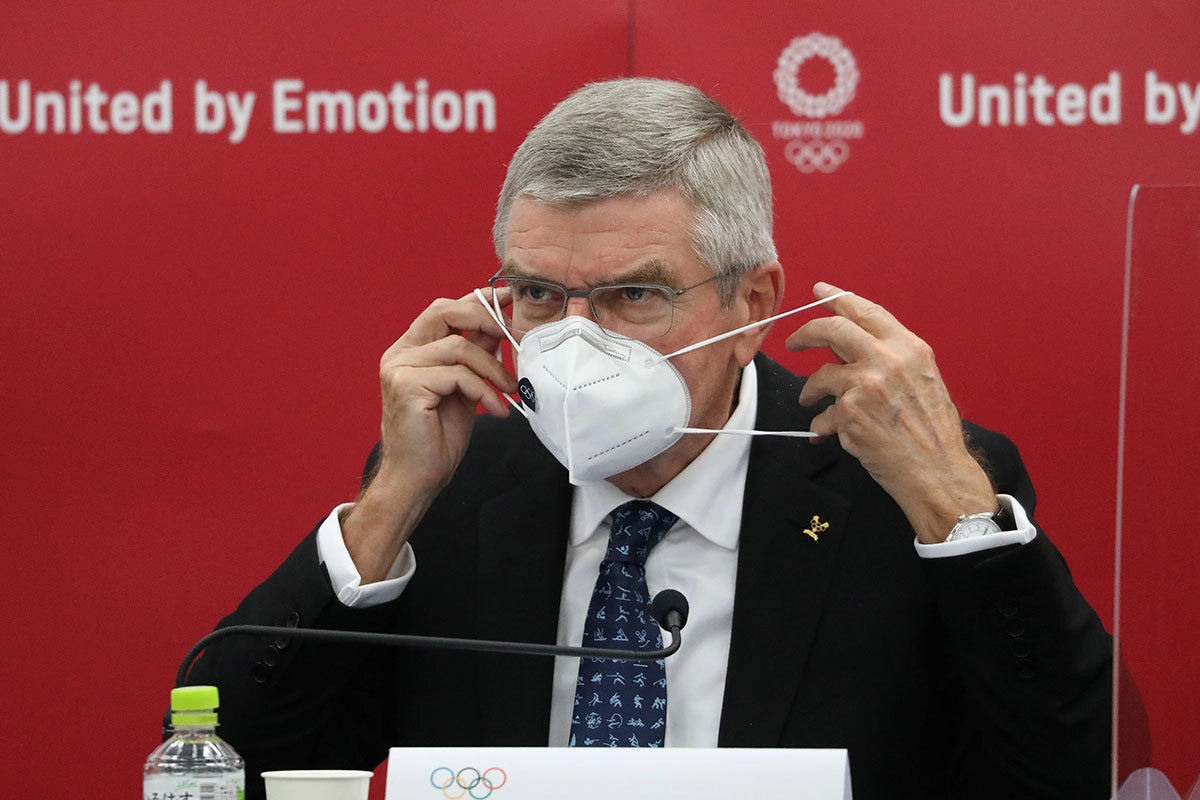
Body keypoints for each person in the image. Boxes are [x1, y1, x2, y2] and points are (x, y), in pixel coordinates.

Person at [190, 78, 1112, 800]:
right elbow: (219, 765)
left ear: (750, 303)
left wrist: (956, 508)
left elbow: (1070, 773)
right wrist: (389, 504)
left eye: (633, 295)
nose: (575, 342)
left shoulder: (895, 488)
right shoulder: (457, 485)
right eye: (539, 294)